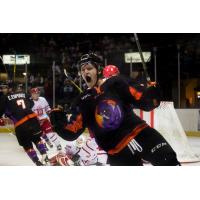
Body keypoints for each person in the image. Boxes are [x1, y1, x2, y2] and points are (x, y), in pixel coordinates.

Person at [50, 53, 180, 166]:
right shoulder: (82, 100)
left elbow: (144, 102)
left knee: (169, 162)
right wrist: (57, 119)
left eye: (89, 68)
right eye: (83, 70)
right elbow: (71, 132)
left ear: (98, 69)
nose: (85, 72)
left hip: (142, 134)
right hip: (118, 152)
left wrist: (151, 95)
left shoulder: (116, 83)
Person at [0, 83, 49, 166]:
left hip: (20, 124)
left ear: (10, 89)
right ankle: (44, 154)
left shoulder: (4, 98)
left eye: (4, 88)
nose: (2, 90)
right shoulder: (24, 94)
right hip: (33, 120)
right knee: (37, 138)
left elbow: (1, 109)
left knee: (27, 144)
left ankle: (37, 162)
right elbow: (31, 104)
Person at [30, 87, 62, 151]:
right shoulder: (29, 102)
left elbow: (47, 109)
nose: (36, 95)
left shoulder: (43, 99)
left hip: (44, 120)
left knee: (50, 133)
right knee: (39, 136)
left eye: (38, 93)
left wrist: (51, 114)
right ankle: (43, 146)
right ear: (31, 94)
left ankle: (58, 145)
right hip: (35, 123)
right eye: (35, 93)